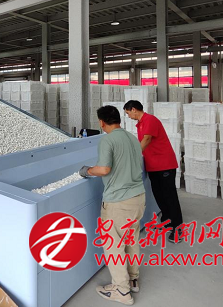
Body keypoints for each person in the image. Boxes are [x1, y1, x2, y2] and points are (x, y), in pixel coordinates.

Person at [79, 105, 146, 305]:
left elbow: (104, 169)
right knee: (131, 239)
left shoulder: (107, 140)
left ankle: (121, 290)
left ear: (101, 122)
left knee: (113, 246)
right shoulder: (132, 138)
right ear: (119, 119)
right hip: (138, 198)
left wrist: (87, 170)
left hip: (118, 202)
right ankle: (133, 279)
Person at [123, 100, 183, 244]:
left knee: (169, 196)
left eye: (128, 113)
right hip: (153, 166)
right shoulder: (140, 124)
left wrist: (133, 156)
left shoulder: (150, 120)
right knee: (159, 195)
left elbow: (147, 139)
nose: (128, 116)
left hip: (164, 164)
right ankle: (167, 221)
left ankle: (178, 228)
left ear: (134, 109)